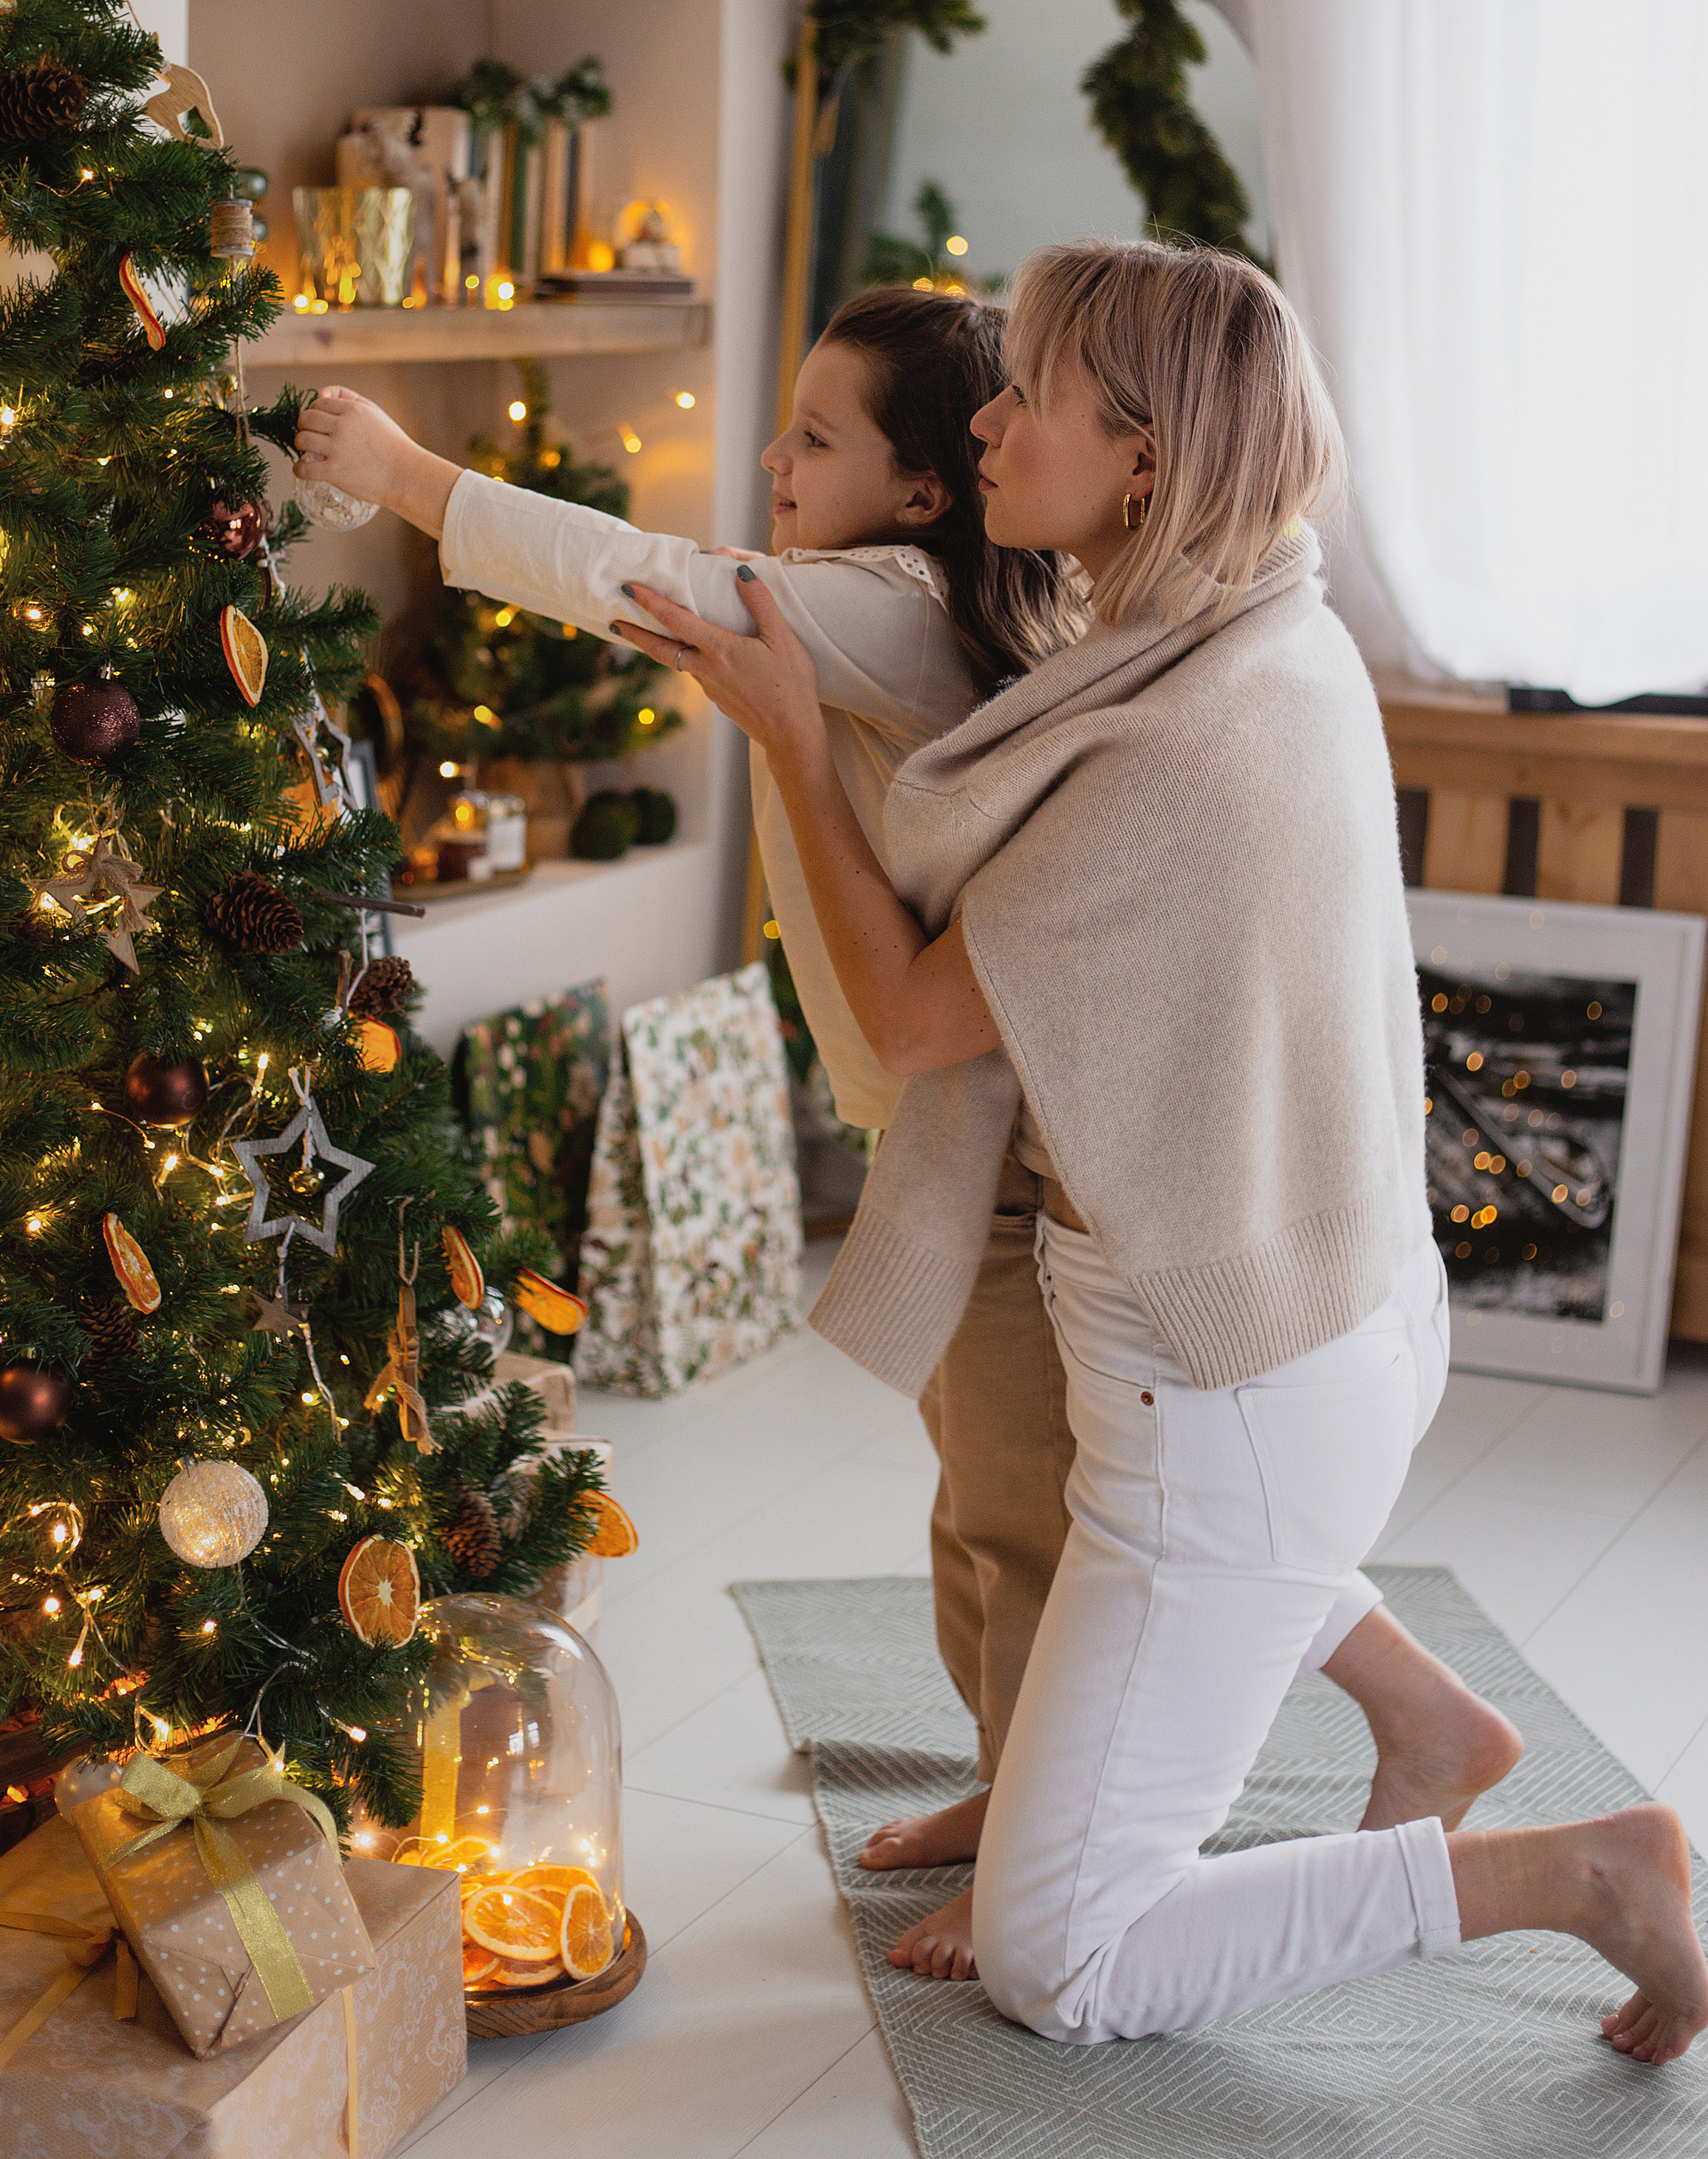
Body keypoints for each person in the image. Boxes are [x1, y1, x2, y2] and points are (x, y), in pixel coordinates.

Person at [612, 237, 1708, 2064]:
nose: (988, 418)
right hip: (1304, 1336)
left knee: (1068, 1961)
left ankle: (1574, 1876)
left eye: (1027, 390)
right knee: (1142, 1567)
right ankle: (1428, 1727)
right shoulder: (1246, 625)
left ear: (1140, 459)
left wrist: (794, 747)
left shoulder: (1174, 745)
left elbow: (909, 1024)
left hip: (1229, 1401)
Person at [295, 289, 1090, 1963]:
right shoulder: (900, 593)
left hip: (1002, 1154)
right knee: (970, 1502)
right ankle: (1002, 1785)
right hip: (944, 1132)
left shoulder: (888, 601)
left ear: (926, 491)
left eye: (814, 436)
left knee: (1020, 1514)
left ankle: (1044, 1858)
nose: (770, 459)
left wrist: (414, 474)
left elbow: (638, 580)